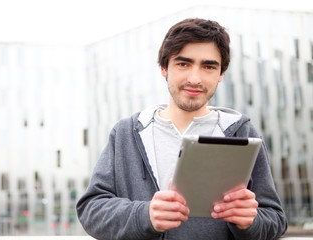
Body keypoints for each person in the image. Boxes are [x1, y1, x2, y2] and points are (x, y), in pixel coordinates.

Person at [76, 18, 287, 240]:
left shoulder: (243, 133)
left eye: (208, 66)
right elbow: (91, 210)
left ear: (221, 74)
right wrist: (144, 215)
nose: (194, 79)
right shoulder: (126, 134)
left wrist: (250, 222)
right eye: (183, 64)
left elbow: (275, 220)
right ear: (164, 68)